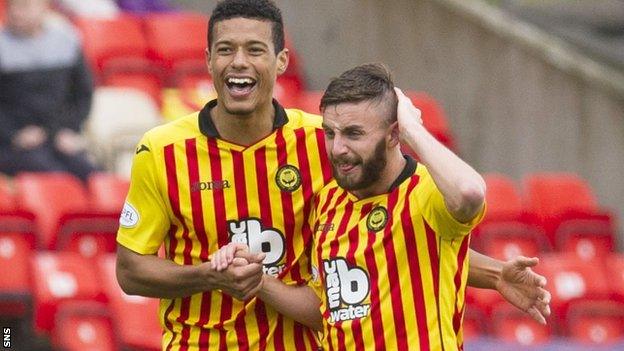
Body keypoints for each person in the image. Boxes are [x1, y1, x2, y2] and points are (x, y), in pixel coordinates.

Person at [116, 1, 549, 350]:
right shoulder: (162, 151)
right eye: (226, 50)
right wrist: (210, 276)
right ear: (208, 60)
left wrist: (493, 275)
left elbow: (397, 238)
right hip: (202, 341)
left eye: (255, 49)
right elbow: (131, 271)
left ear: (282, 59)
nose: (239, 63)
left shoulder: (325, 143)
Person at [210, 63, 552, 350]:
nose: (338, 148)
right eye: (331, 133)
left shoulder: (424, 192)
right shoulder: (328, 202)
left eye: (354, 134)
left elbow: (469, 193)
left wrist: (414, 129)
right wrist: (259, 281)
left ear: (393, 134)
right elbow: (326, 306)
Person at [0, 0, 98, 181]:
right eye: (11, 6)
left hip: (58, 136)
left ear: (44, 8)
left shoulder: (66, 41)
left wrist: (69, 129)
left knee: (94, 175)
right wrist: (13, 135)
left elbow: (82, 94)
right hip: (13, 144)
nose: (15, 12)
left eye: (23, 6)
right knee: (58, 179)